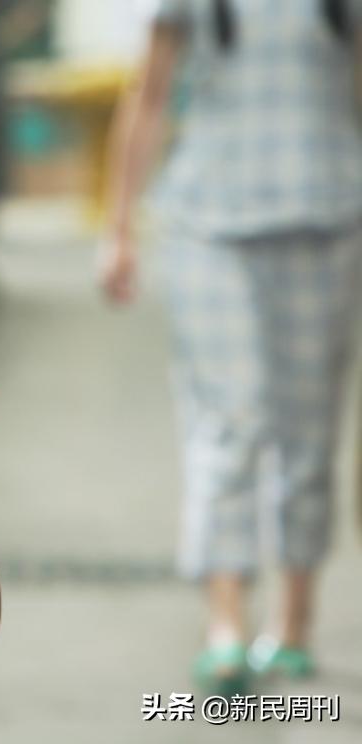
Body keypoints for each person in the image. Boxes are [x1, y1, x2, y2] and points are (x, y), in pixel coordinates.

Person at [100, 0, 362, 694]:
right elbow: (149, 97)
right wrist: (119, 229)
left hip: (329, 220)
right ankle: (226, 626)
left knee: (310, 431)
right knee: (232, 418)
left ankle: (295, 622)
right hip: (207, 226)